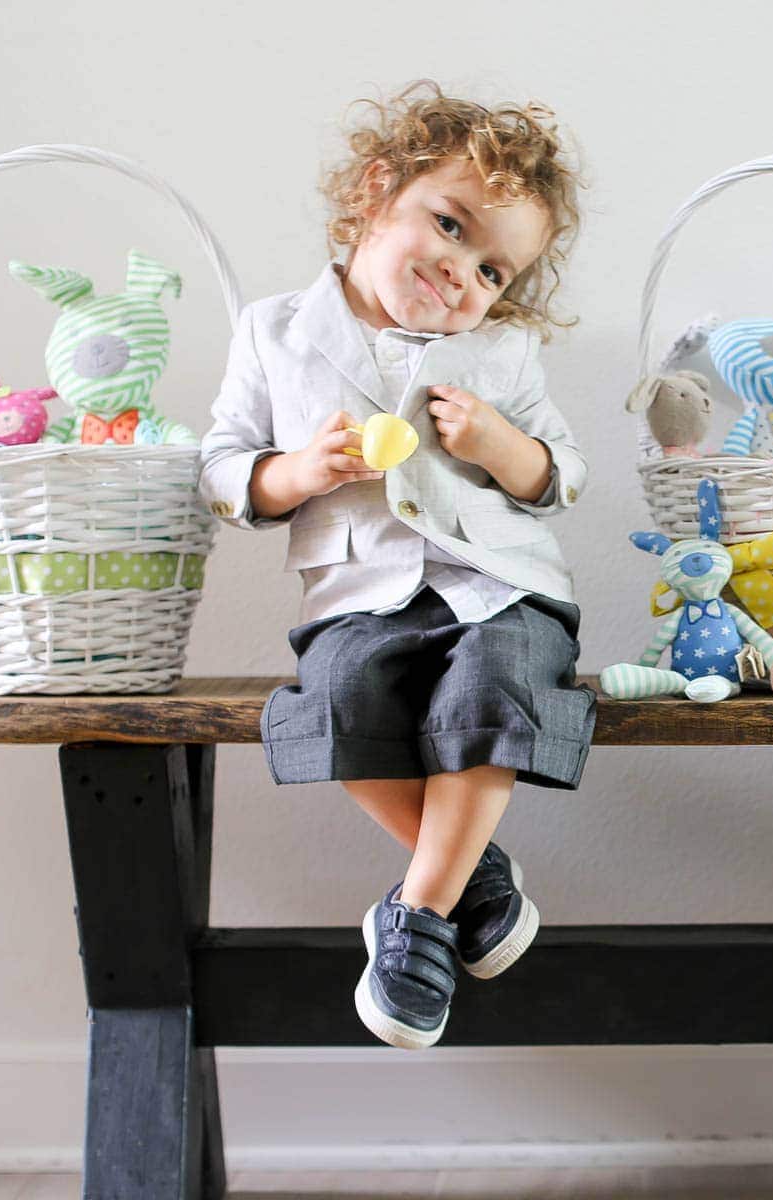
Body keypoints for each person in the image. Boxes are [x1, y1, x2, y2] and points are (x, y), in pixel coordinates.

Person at [200, 81, 591, 1050]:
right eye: (450, 228)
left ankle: (417, 921)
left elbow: (563, 472)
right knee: (332, 704)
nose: (464, 275)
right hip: (359, 594)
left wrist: (502, 446)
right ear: (379, 190)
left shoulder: (503, 356)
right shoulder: (275, 331)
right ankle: (475, 881)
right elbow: (218, 466)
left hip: (497, 586)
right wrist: (292, 474)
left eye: (494, 271)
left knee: (494, 691)